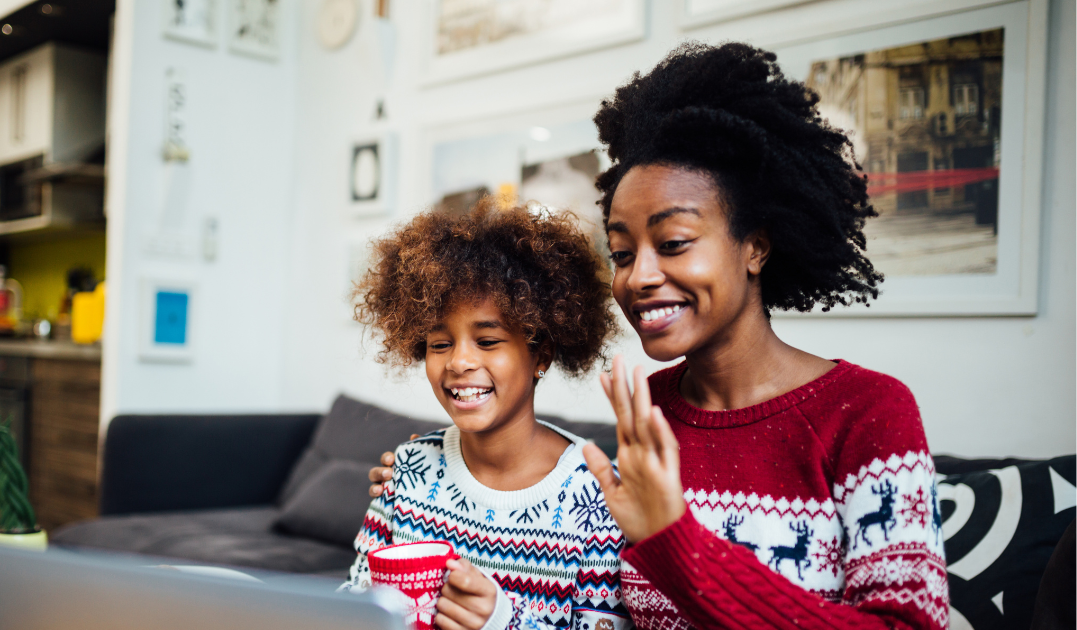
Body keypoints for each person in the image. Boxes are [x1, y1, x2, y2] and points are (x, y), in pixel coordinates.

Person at [372, 42, 949, 630]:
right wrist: (429, 475)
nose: (639, 277)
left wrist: (676, 543)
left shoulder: (865, 413)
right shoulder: (651, 413)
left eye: (672, 243)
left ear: (756, 246)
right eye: (622, 252)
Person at [343, 199, 633, 630]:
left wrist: (502, 620)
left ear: (542, 355)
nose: (458, 362)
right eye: (439, 345)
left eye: (488, 341)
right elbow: (353, 602)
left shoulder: (598, 498)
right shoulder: (407, 471)